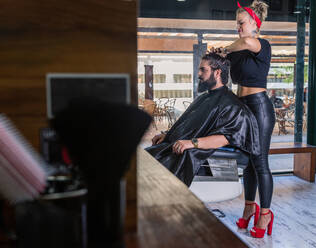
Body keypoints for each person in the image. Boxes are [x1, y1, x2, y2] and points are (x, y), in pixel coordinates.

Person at [145, 52, 260, 187]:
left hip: (196, 154)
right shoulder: (204, 98)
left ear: (217, 73)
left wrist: (192, 143)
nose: (199, 74)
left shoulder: (232, 105)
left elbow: (228, 137)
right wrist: (168, 135)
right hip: (176, 148)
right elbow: (191, 126)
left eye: (203, 70)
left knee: (147, 167)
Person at [214, 0, 275, 239]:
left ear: (254, 23)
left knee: (260, 163)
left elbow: (246, 42)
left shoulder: (261, 44)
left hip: (259, 107)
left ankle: (266, 213)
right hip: (242, 108)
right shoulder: (238, 50)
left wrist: (227, 48)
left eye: (241, 23)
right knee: (249, 162)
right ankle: (250, 206)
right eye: (237, 23)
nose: (238, 27)